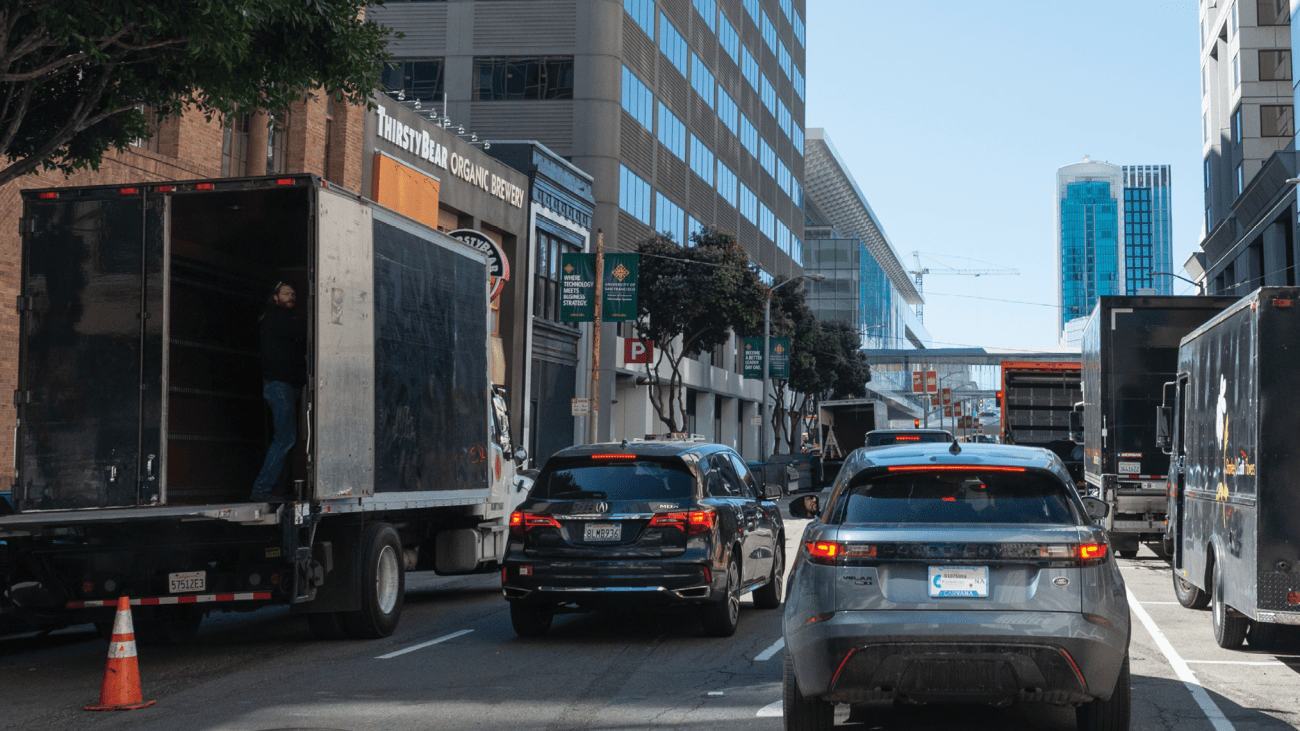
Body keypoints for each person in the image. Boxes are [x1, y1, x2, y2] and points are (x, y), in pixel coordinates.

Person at [251, 281, 307, 500]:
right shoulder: (275, 316)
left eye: (293, 293)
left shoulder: (283, 318)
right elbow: (301, 330)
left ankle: (278, 491)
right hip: (280, 385)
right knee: (285, 438)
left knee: (289, 439)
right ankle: (262, 488)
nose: (291, 296)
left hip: (288, 385)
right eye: (286, 293)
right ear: (275, 297)